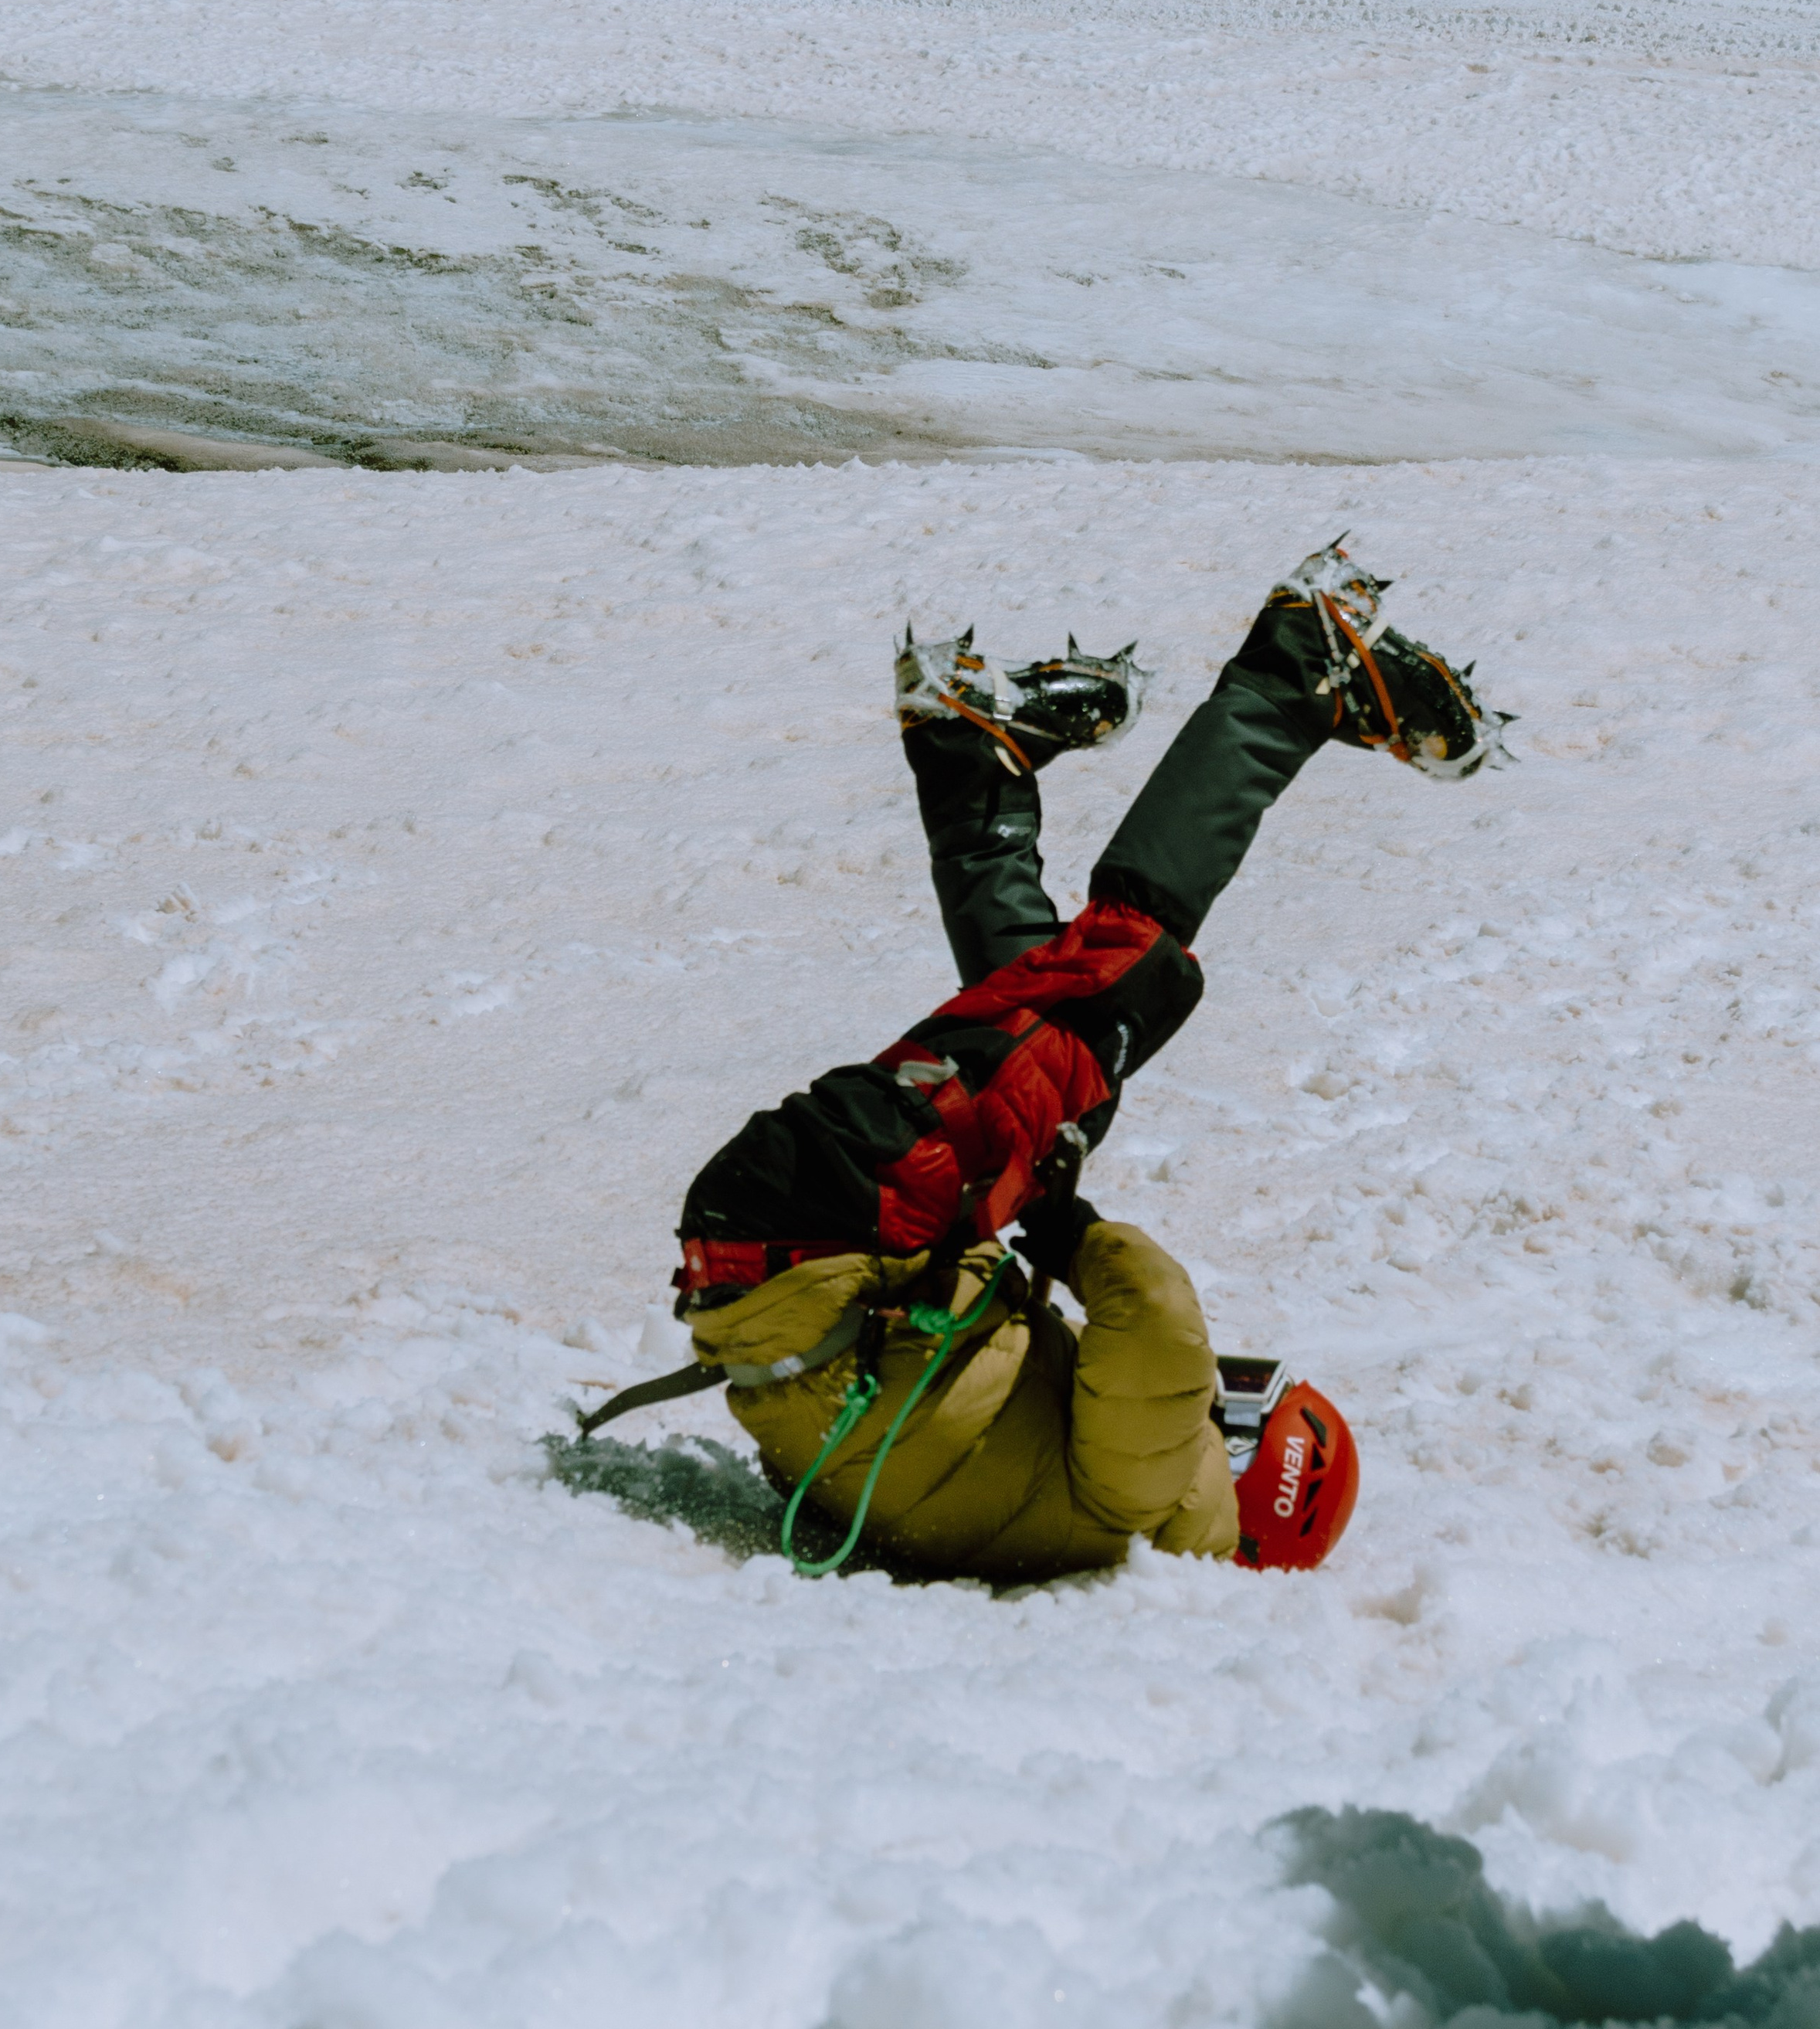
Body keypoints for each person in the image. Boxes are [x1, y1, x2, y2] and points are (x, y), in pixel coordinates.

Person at [584, 543, 1504, 1583]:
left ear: (1259, 1476)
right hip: (769, 1268)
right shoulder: (1058, 1515)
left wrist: (1071, 1232)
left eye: (1238, 1405)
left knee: (1130, 966)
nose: (1218, 1392)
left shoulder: (1157, 1495)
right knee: (1064, 1081)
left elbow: (1151, 1311)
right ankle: (972, 767)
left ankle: (1300, 667)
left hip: (849, 1215)